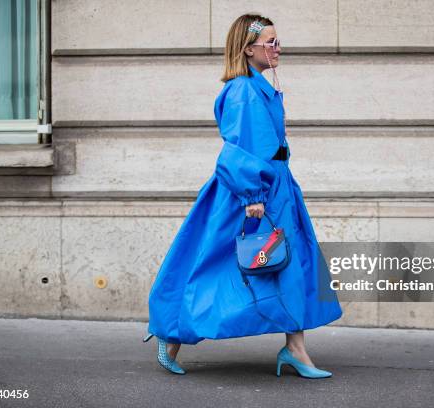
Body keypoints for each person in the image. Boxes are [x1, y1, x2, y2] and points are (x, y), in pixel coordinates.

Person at [143, 13, 342, 378]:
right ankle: (170, 332)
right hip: (253, 193)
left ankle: (295, 349)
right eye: (271, 42)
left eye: (278, 41)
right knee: (218, 264)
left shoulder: (255, 87)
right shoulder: (244, 91)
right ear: (249, 49)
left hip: (274, 187)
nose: (277, 48)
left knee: (287, 264)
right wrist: (253, 196)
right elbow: (240, 151)